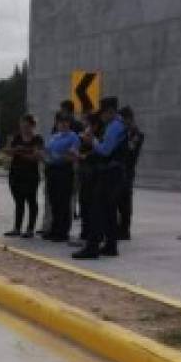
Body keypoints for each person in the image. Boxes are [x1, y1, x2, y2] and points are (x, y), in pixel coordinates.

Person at [73, 97, 126, 260]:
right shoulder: (116, 125)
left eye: (103, 113)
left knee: (96, 209)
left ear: (110, 112)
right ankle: (110, 245)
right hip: (114, 172)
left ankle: (92, 247)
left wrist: (92, 140)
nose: (101, 117)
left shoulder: (114, 127)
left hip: (110, 173)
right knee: (109, 210)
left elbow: (105, 150)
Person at [43, 100, 84, 236]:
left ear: (69, 123)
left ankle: (62, 231)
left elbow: (72, 155)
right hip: (52, 170)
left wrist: (57, 156)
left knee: (63, 202)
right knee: (54, 201)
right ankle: (54, 228)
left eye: (65, 122)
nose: (63, 124)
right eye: (60, 122)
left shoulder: (74, 137)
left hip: (64, 171)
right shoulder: (54, 137)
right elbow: (47, 151)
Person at [2, 114, 43, 238]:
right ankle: (17, 228)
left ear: (32, 126)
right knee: (18, 201)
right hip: (16, 173)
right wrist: (19, 150)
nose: (24, 128)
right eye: (22, 125)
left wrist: (20, 151)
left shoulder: (37, 139)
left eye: (27, 125)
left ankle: (30, 228)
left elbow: (36, 156)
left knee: (31, 200)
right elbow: (7, 151)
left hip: (31, 174)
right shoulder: (16, 137)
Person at [117, 106, 145, 241]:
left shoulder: (136, 134)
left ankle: (124, 229)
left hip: (127, 171)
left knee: (125, 201)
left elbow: (130, 151)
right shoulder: (125, 133)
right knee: (118, 201)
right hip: (120, 170)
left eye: (122, 120)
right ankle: (119, 227)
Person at [76, 112, 103, 242]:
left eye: (87, 123)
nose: (85, 126)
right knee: (84, 205)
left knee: (92, 207)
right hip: (85, 175)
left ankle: (93, 235)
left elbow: (98, 155)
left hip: (94, 176)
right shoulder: (87, 138)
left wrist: (83, 155)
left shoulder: (99, 139)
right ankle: (85, 232)